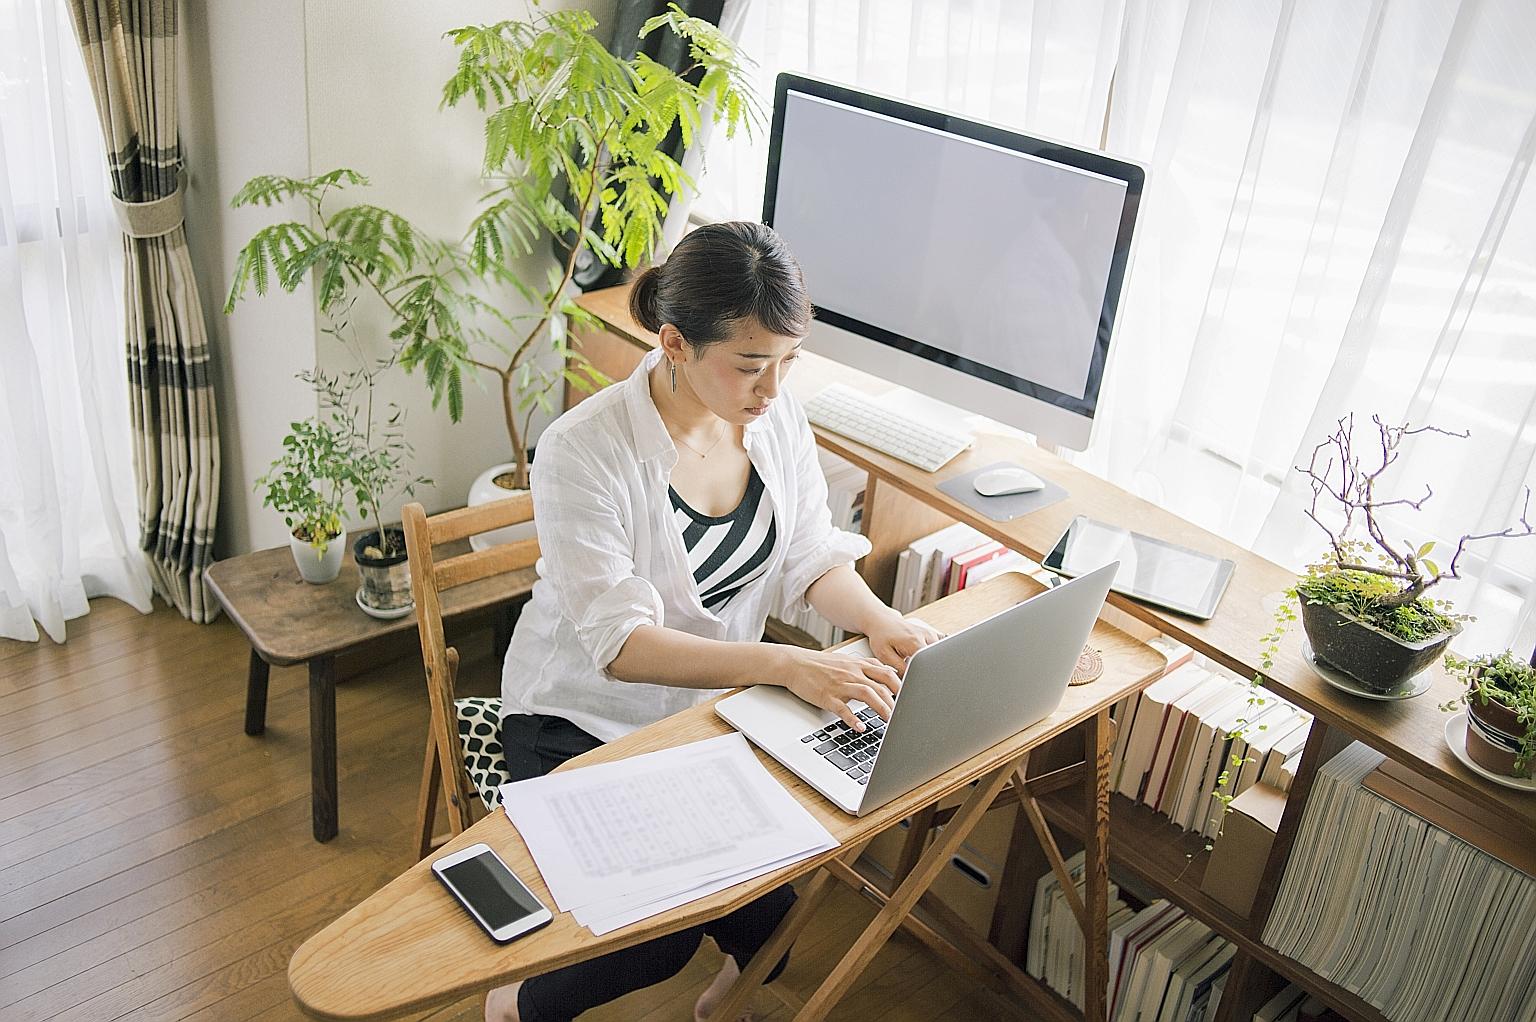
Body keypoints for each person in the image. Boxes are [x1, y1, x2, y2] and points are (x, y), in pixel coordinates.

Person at [486, 221, 940, 1022]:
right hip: (579, 713)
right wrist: (787, 666)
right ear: (674, 342)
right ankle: (512, 1003)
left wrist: (880, 622)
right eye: (752, 366)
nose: (772, 389)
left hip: (707, 711)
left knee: (774, 919)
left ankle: (715, 1011)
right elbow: (620, 648)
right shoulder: (581, 450)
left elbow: (808, 558)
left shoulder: (774, 417)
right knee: (655, 939)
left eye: (788, 362)